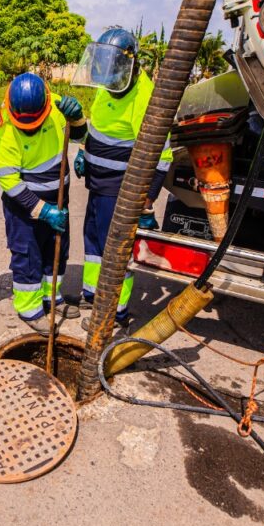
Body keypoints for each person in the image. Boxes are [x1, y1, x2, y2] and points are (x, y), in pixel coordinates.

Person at [70, 27, 174, 328]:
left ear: (129, 64)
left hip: (120, 189)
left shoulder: (145, 97)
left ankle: (114, 311)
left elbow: (162, 153)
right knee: (93, 241)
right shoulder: (109, 85)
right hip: (98, 184)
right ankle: (94, 295)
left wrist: (148, 195)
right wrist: (84, 150)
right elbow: (100, 128)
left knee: (114, 249)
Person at [0, 73, 86, 334]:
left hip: (59, 199)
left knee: (56, 251)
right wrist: (43, 211)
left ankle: (50, 298)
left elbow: (78, 134)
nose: (28, 127)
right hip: (24, 208)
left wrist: (76, 118)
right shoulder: (3, 130)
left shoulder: (55, 105)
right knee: (28, 256)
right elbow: (11, 183)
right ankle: (30, 308)